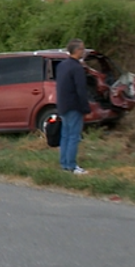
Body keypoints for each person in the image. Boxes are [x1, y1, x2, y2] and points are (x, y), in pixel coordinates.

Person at [56, 38, 91, 174]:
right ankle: (71, 165)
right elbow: (81, 89)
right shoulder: (77, 68)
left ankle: (64, 164)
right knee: (74, 136)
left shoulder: (62, 65)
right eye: (82, 49)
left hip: (62, 105)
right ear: (77, 50)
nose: (84, 51)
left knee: (65, 135)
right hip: (74, 106)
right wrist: (85, 107)